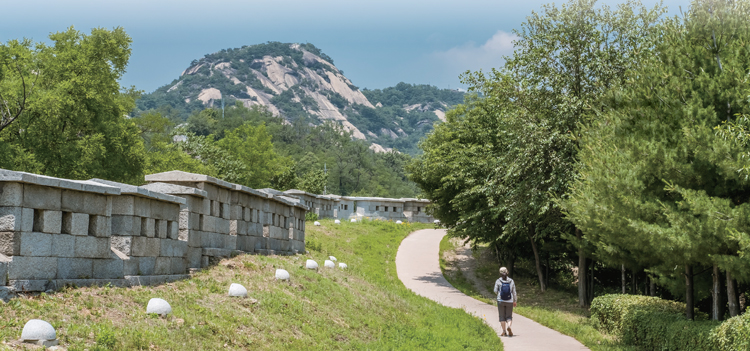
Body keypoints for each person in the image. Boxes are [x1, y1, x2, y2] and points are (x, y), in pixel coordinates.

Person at [493, 266, 517, 336]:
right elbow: (514, 292)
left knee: (502, 316)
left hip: (500, 300)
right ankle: (509, 326)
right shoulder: (511, 281)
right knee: (509, 316)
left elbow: (495, 291)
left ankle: (504, 331)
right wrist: (515, 301)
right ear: (507, 272)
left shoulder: (498, 281)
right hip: (509, 301)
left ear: (500, 273)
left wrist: (499, 294)